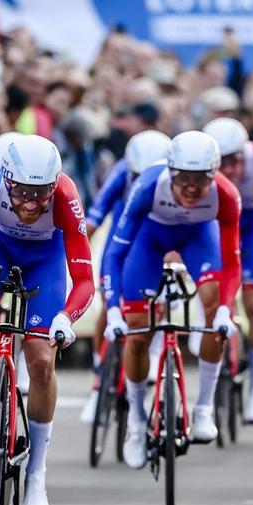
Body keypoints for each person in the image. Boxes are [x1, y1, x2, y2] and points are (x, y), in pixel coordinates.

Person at [0, 134, 94, 505]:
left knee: (43, 360)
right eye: (22, 193)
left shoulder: (66, 195)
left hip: (45, 259)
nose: (30, 203)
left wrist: (66, 318)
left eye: (40, 194)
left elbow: (84, 279)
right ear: (8, 182)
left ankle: (36, 471)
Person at [102, 130, 241, 467]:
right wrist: (113, 311)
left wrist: (225, 308)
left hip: (198, 237)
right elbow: (115, 255)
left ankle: (204, 407)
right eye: (183, 180)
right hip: (150, 241)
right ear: (170, 171)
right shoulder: (147, 187)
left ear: (214, 174)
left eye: (200, 180)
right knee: (137, 331)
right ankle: (136, 421)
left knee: (214, 312)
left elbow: (232, 260)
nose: (191, 189)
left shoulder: (226, 194)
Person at [79, 129, 172, 423]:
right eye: (137, 176)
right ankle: (99, 378)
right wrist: (77, 258)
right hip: (123, 239)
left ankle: (154, 353)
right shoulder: (120, 173)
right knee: (109, 304)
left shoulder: (175, 180)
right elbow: (94, 217)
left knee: (164, 296)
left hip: (157, 241)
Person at [208, 117, 253, 424]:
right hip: (223, 220)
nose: (230, 169)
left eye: (235, 160)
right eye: (222, 163)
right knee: (214, 293)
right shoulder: (203, 167)